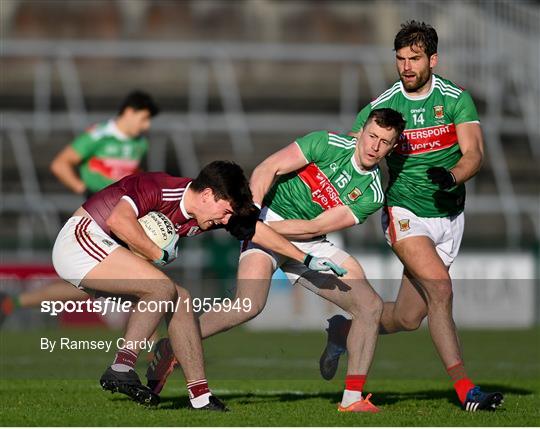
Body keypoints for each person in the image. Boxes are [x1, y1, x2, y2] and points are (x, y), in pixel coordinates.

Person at [146, 108, 406, 413]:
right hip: (269, 215)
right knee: (249, 305)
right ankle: (170, 346)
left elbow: (317, 226)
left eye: (385, 142)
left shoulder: (372, 194)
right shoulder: (326, 144)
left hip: (306, 238)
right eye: (372, 136)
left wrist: (260, 231)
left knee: (370, 305)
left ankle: (351, 399)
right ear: (361, 131)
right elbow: (269, 167)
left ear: (392, 147)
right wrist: (252, 212)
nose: (374, 146)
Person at [51, 161, 344, 411]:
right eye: (226, 211)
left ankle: (200, 396)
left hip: (107, 252)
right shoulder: (159, 186)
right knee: (162, 289)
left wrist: (305, 257)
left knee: (181, 299)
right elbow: (118, 221)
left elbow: (256, 231)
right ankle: (121, 368)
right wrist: (157, 253)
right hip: (81, 238)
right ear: (207, 195)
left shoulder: (212, 213)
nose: (225, 220)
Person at [318, 21, 504, 412]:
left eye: (414, 59)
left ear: (432, 60)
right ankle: (467, 390)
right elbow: (354, 153)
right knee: (441, 290)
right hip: (404, 214)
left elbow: (475, 154)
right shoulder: (383, 106)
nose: (406, 66)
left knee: (407, 318)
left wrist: (452, 175)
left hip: (449, 217)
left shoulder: (456, 99)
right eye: (400, 58)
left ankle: (343, 330)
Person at [0, 91, 160, 326]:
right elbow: (60, 164)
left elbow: (132, 177)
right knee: (133, 280)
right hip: (99, 218)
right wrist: (84, 189)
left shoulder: (140, 143)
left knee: (119, 282)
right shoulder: (98, 136)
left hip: (123, 216)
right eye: (144, 118)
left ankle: (12, 303)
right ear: (129, 112)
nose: (146, 126)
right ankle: (150, 346)